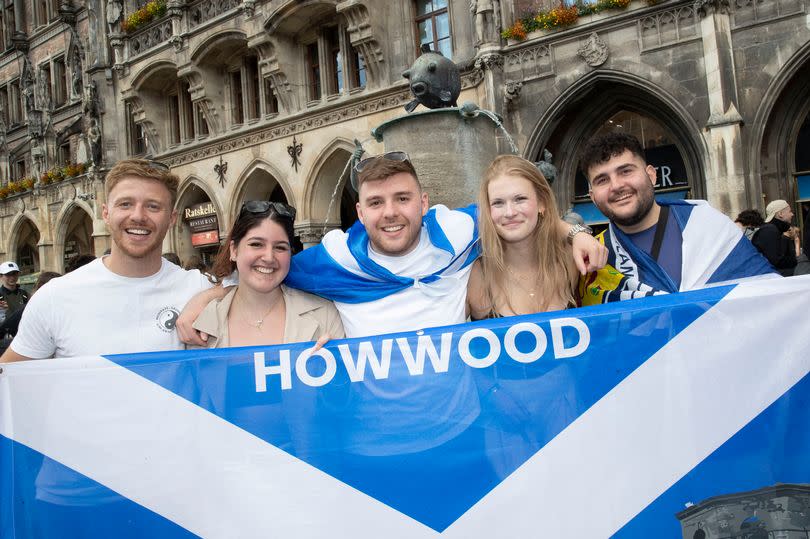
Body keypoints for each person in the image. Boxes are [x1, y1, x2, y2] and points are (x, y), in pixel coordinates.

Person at [177, 151, 605, 527]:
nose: (390, 213)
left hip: (460, 439)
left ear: (424, 202)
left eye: (402, 199)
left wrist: (575, 231)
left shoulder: (457, 230)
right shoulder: (336, 258)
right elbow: (267, 266)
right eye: (376, 203)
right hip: (370, 452)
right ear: (360, 213)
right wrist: (212, 295)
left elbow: (522, 210)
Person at [0, 158, 213, 363]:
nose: (138, 216)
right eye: (125, 204)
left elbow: (241, 289)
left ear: (172, 218)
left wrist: (213, 293)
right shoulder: (54, 297)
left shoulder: (198, 288)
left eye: (153, 206)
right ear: (106, 213)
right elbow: (8, 377)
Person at [577, 132, 777, 306]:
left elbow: (771, 297)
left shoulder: (708, 225)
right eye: (602, 180)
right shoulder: (592, 262)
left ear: (651, 176)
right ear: (593, 197)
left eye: (626, 171)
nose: (617, 186)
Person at [190, 200, 343, 349]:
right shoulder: (199, 324)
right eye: (256, 244)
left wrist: (337, 360)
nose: (269, 257)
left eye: (280, 247)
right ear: (234, 250)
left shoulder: (326, 316)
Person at [468, 155, 579, 319]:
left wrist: (578, 234)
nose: (510, 212)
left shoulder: (570, 259)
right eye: (498, 203)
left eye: (520, 199)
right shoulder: (477, 274)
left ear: (542, 203)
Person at [751, 199, 798, 277]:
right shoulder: (770, 230)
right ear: (780, 214)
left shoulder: (771, 229)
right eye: (789, 211)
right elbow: (776, 261)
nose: (792, 214)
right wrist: (798, 261)